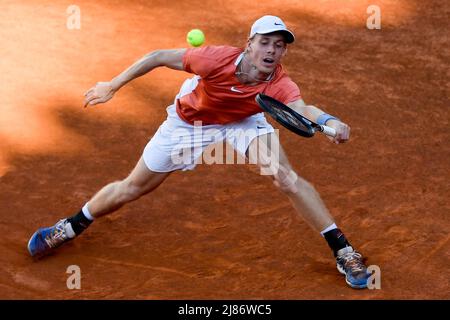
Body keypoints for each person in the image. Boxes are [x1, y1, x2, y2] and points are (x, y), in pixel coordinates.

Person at [27, 15, 370, 289]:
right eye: (264, 42)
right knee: (133, 187)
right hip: (191, 121)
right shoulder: (214, 58)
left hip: (243, 120)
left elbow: (303, 108)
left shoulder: (279, 81)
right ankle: (71, 226)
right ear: (249, 44)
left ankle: (344, 251)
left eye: (278, 46)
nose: (271, 51)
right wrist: (112, 86)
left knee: (286, 178)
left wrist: (332, 121)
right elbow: (158, 57)